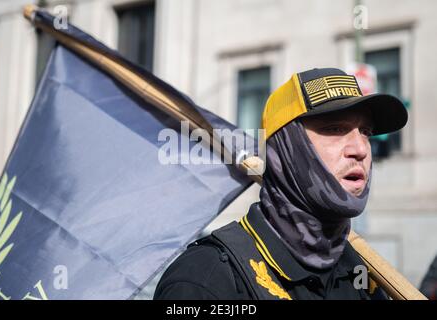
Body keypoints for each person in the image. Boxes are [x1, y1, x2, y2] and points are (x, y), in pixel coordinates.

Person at [153, 68, 408, 300]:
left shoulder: (365, 276)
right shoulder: (205, 279)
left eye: (366, 132)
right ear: (287, 150)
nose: (361, 149)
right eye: (334, 129)